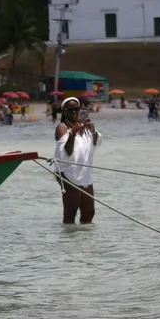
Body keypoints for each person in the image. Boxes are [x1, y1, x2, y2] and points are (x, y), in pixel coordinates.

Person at [53, 96, 101, 224]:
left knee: (89, 212)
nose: (75, 112)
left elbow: (96, 143)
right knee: (70, 213)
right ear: (64, 111)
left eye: (77, 109)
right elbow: (67, 152)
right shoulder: (62, 128)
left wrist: (93, 130)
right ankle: (68, 241)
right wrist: (73, 133)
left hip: (85, 173)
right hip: (68, 173)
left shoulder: (84, 127)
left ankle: (85, 242)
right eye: (71, 109)